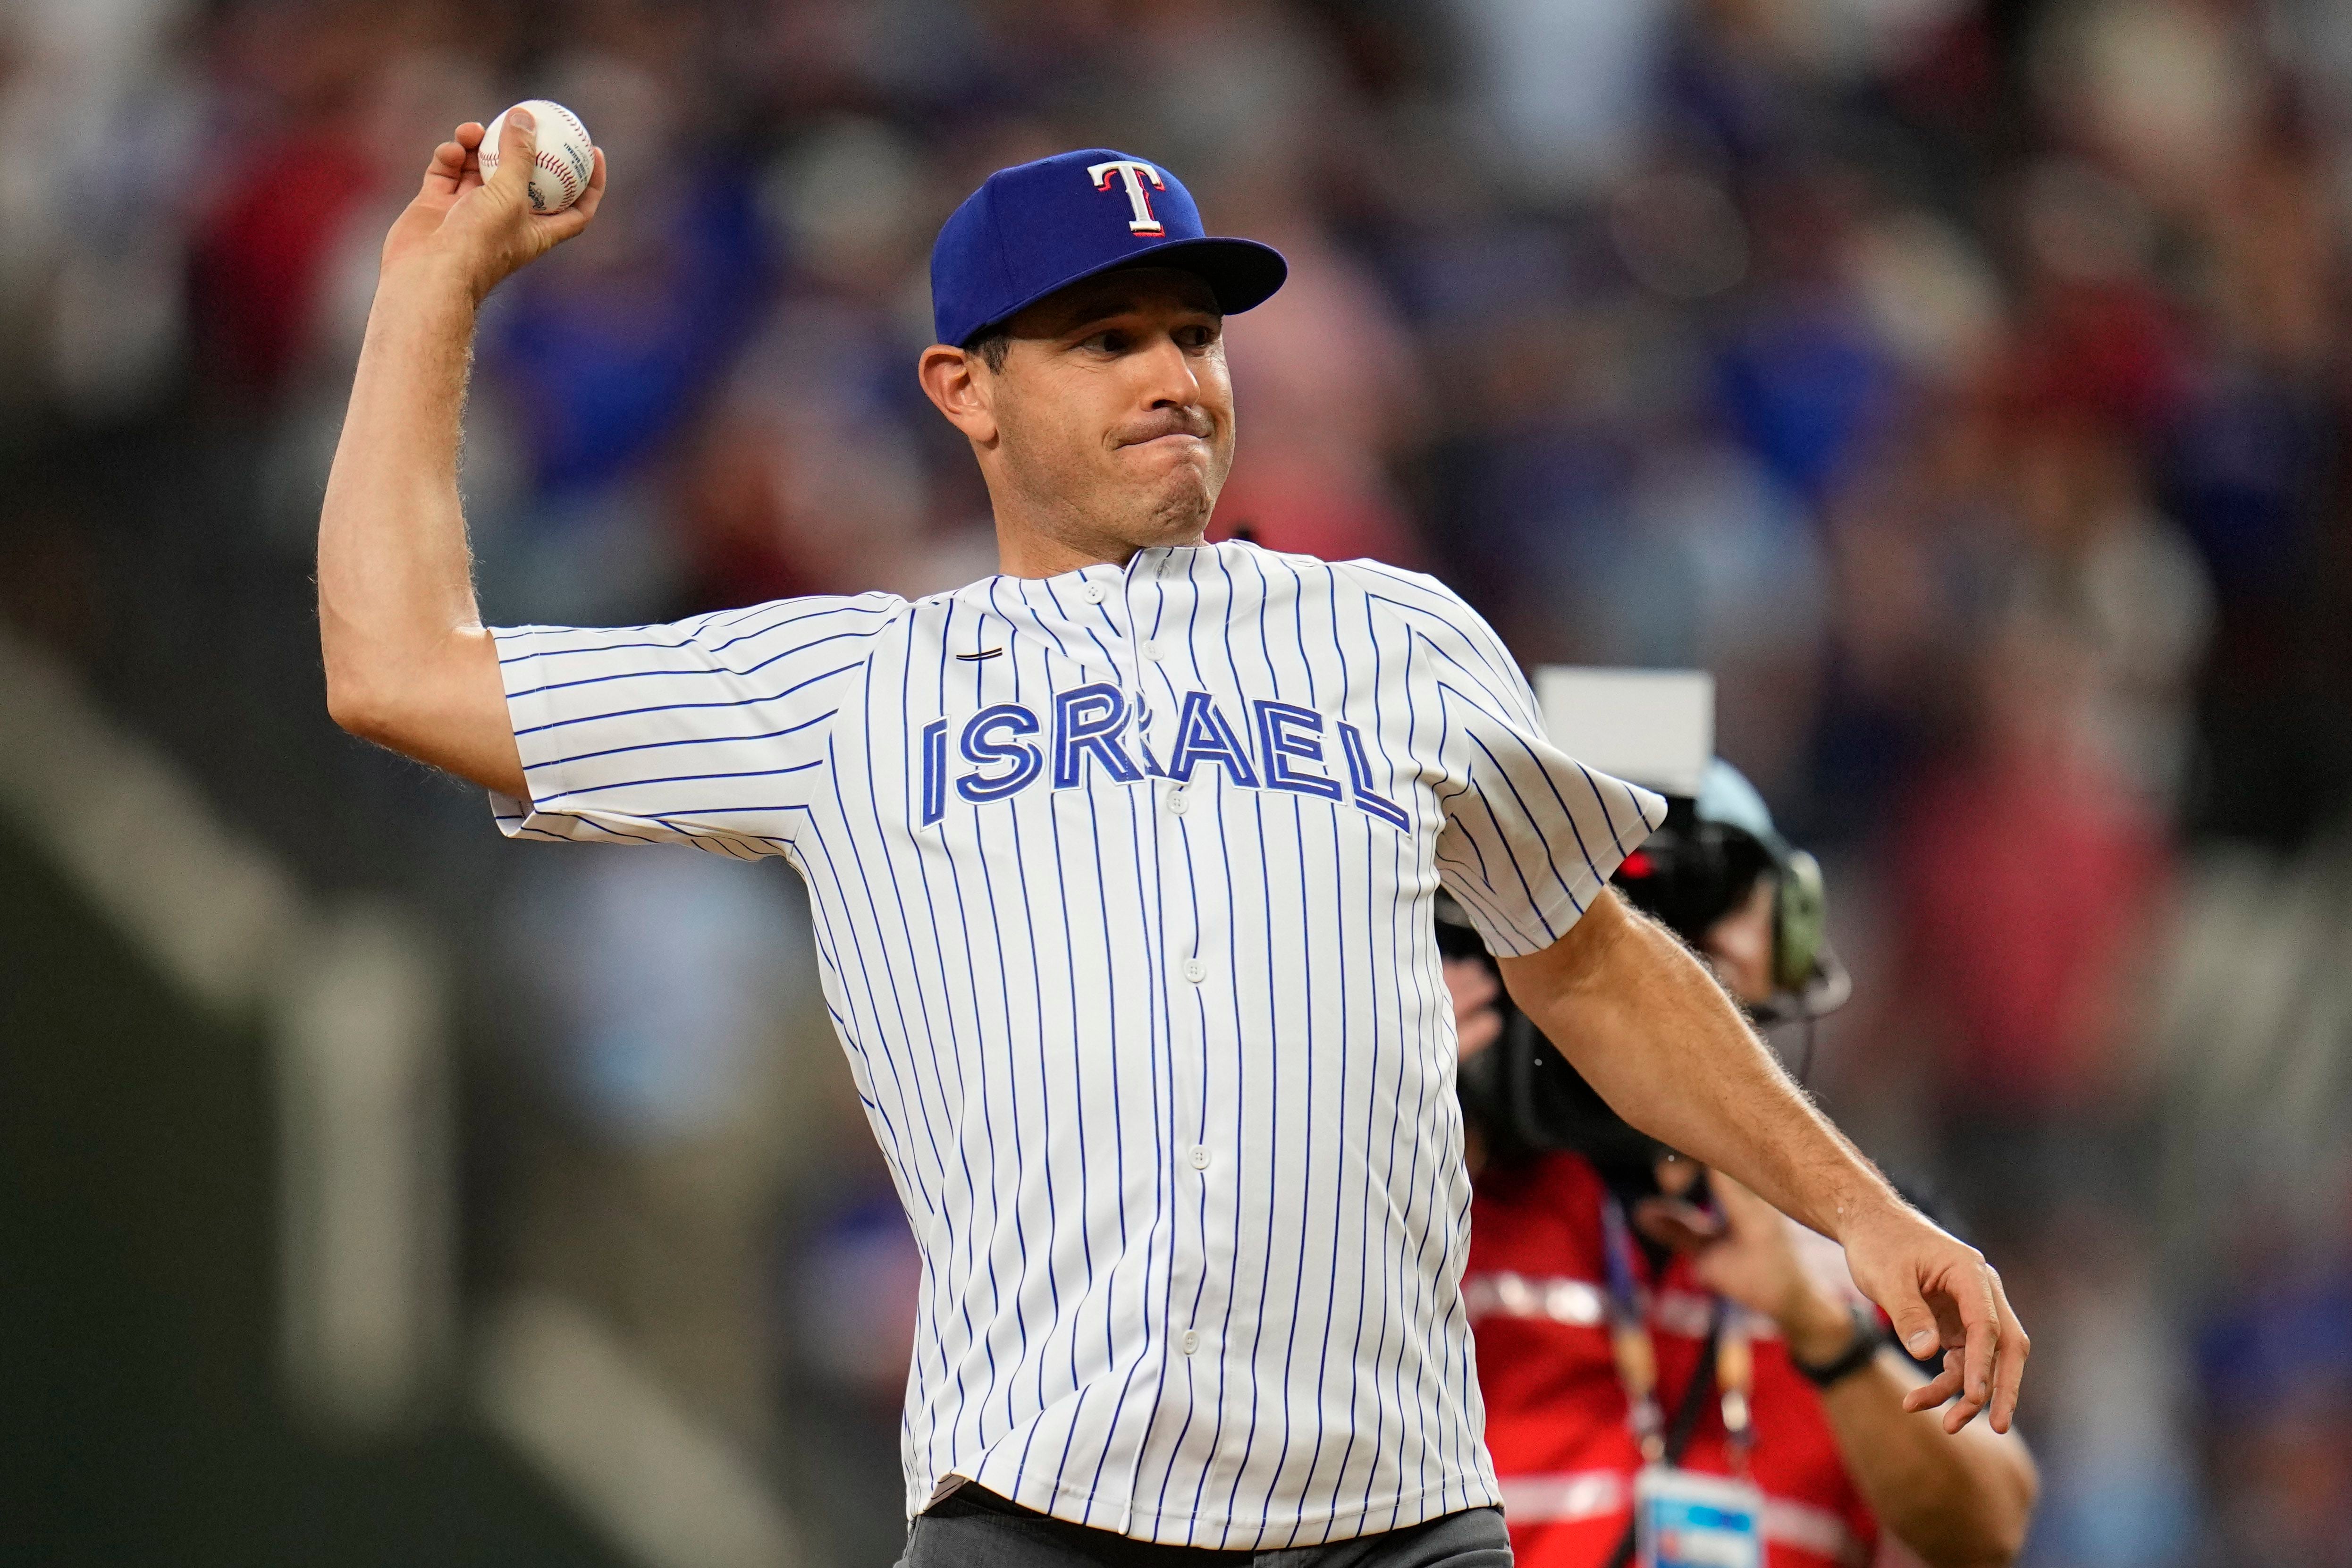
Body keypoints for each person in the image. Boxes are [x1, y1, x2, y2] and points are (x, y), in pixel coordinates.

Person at [315, 112, 2027, 1566]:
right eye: (1106, 338)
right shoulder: (853, 682)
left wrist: (1861, 1213)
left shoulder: (1394, 637)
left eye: (1194, 335)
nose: (1173, 376)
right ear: (963, 390)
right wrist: (430, 290)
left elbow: (1586, 957)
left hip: (1401, 1516)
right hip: (1044, 1514)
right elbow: (396, 670)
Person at [1443, 760, 2039, 1567]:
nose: (1651, 967)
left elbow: (1990, 1531)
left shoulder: (1866, 1239)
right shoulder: (1433, 1198)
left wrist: (1821, 1326)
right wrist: (1391, 1130)